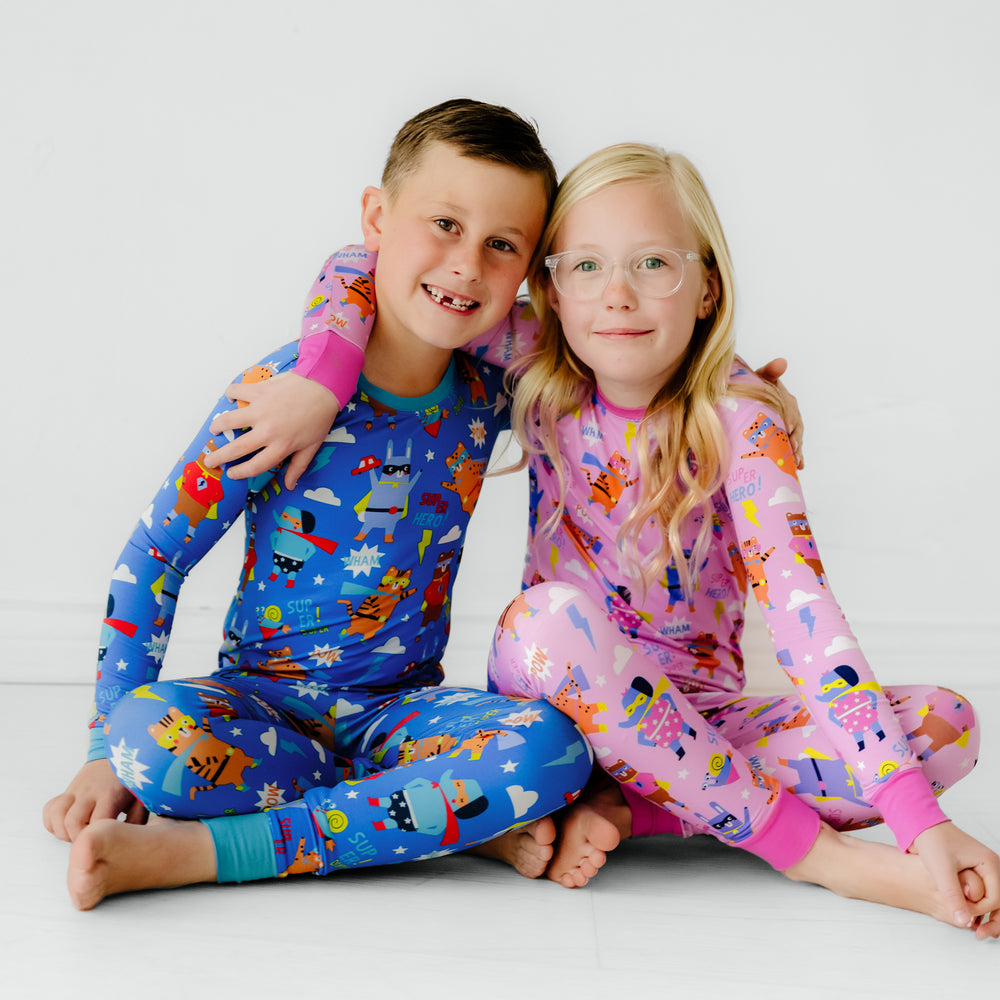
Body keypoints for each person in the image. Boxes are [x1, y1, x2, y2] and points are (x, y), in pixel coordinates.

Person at [218, 143, 999, 938]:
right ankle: (817, 856)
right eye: (585, 267)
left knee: (948, 724)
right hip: (551, 705)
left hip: (700, 721)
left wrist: (920, 823)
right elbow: (363, 260)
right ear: (551, 291)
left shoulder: (742, 425)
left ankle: (635, 807)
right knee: (548, 618)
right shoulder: (537, 367)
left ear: (707, 290)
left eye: (654, 262)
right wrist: (324, 370)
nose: (617, 296)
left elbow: (804, 612)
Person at [42, 98, 598, 911]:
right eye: (443, 223)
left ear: (526, 271)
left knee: (552, 752)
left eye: (501, 245)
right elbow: (154, 558)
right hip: (262, 704)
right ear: (378, 216)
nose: (467, 265)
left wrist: (740, 390)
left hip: (402, 711)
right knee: (144, 744)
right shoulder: (280, 396)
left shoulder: (493, 390)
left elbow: (615, 356)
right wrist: (99, 749)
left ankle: (206, 853)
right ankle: (441, 815)